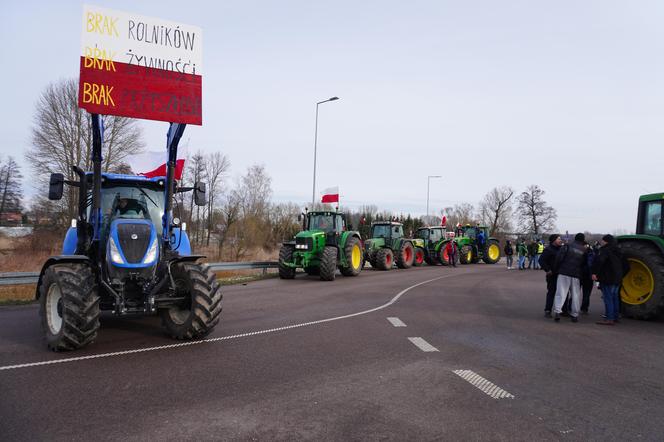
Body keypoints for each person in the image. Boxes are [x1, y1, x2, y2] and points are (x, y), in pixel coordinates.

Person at [552, 233, 589, 322]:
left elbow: (559, 258)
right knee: (575, 295)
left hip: (564, 272)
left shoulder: (567, 246)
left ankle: (557, 311)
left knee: (561, 293)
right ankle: (575, 314)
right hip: (576, 274)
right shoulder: (584, 250)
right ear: (583, 240)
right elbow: (584, 264)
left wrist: (556, 269)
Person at [592, 234, 627, 325]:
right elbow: (627, 266)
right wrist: (621, 275)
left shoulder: (605, 250)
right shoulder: (619, 251)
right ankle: (615, 317)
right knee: (615, 298)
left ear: (606, 241)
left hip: (607, 278)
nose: (602, 242)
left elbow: (600, 262)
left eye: (603, 241)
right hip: (618, 279)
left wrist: (595, 273)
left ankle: (609, 318)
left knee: (608, 298)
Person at [539, 234, 563, 318]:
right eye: (559, 239)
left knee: (562, 293)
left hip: (561, 275)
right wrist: (547, 269)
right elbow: (541, 260)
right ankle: (548, 310)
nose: (560, 240)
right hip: (552, 275)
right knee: (551, 292)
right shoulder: (548, 250)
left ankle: (563, 310)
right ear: (554, 240)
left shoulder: (562, 249)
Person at [580, 243, 595, 314]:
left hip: (580, 275)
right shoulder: (592, 253)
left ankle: (572, 307)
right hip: (588, 276)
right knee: (586, 293)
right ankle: (584, 308)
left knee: (575, 293)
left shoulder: (578, 252)